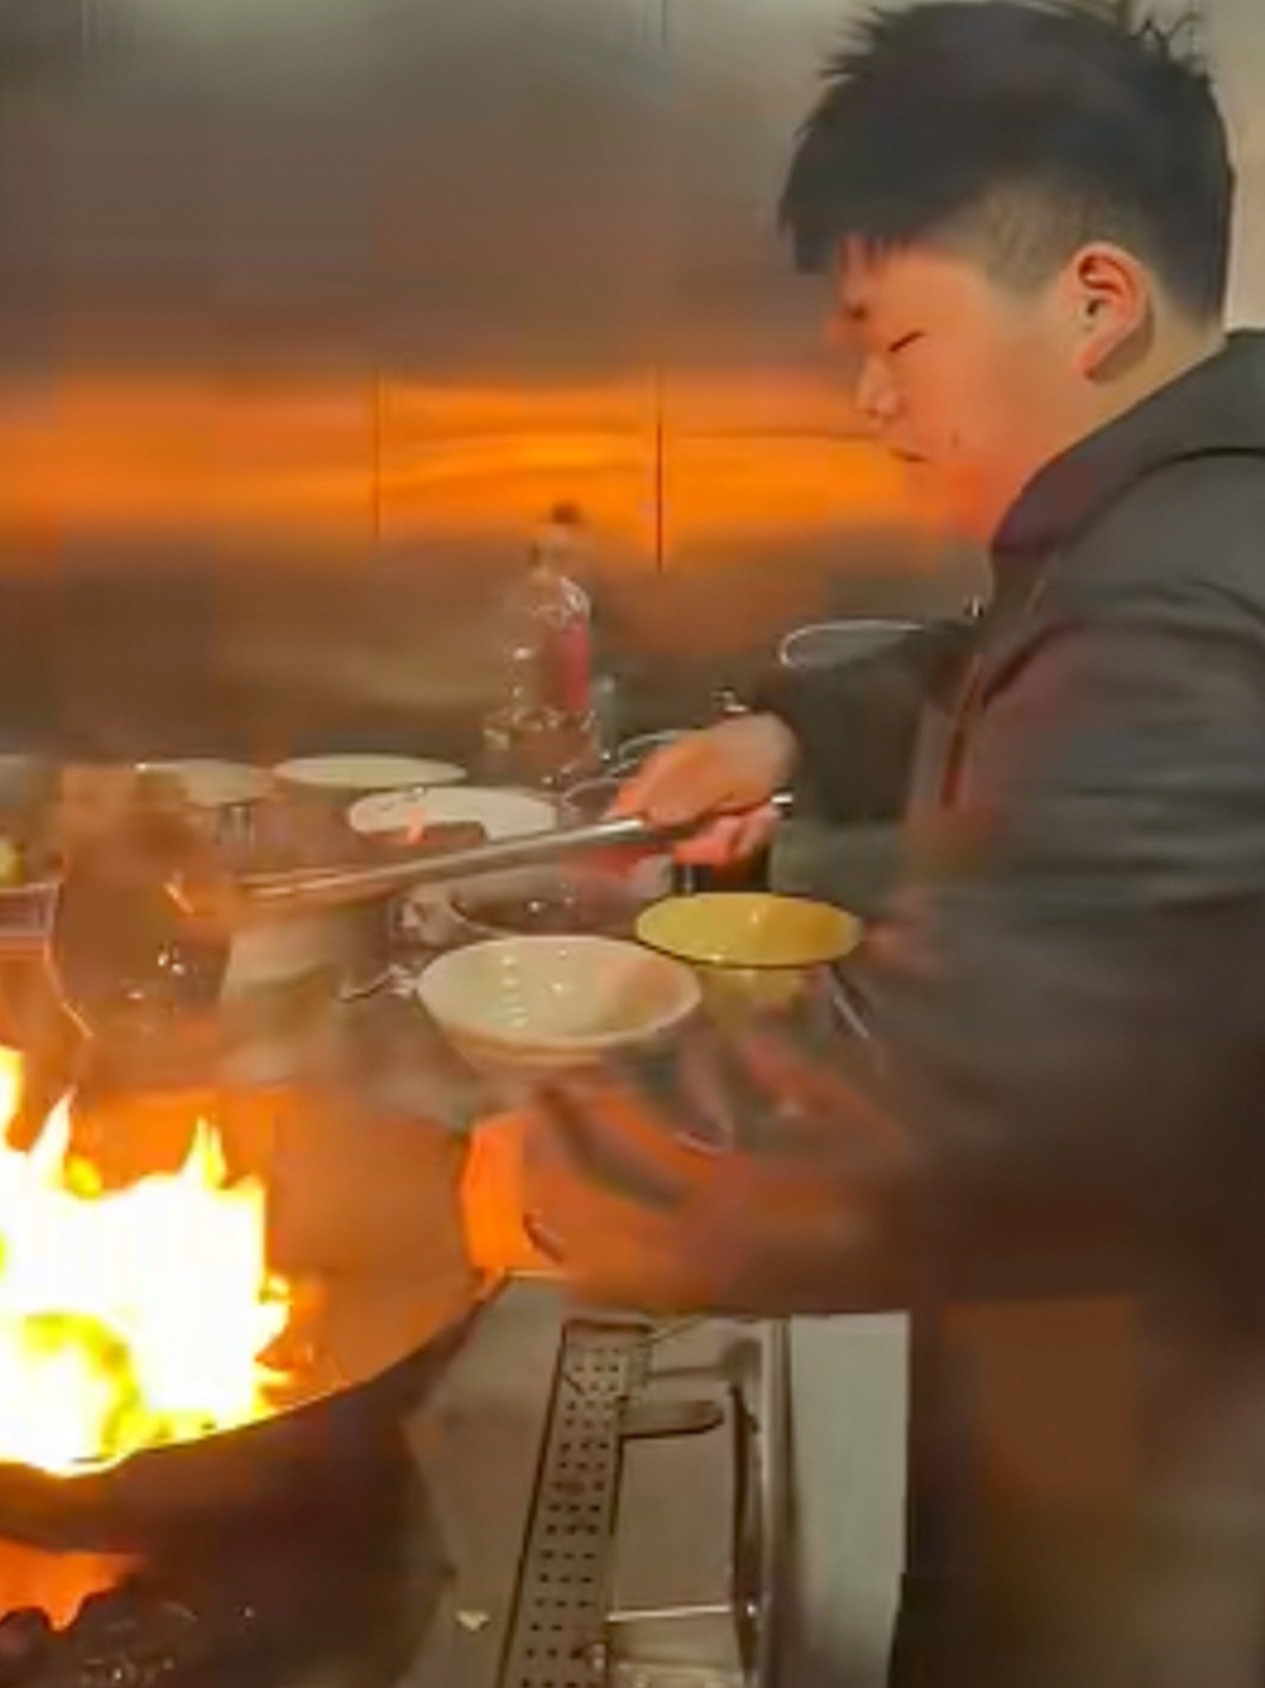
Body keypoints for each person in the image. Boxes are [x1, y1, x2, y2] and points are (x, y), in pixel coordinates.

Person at [465, 6, 1265, 1683]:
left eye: (894, 336)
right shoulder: (1173, 516)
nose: (866, 393)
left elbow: (976, 1108)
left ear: (1095, 302)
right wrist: (788, 733)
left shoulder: (1182, 597)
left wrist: (552, 1173)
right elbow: (997, 664)